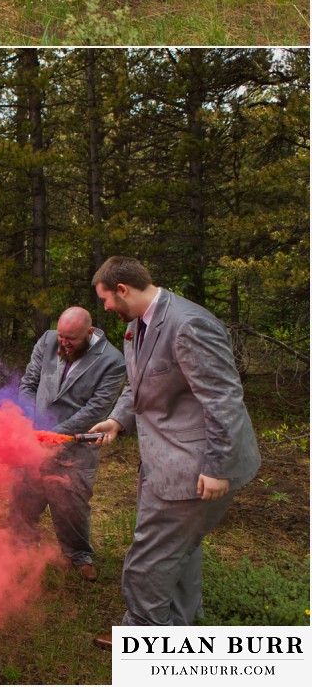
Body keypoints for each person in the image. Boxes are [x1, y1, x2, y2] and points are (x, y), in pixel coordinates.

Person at [88, 256, 261, 640]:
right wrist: (118, 420)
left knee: (149, 559)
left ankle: (147, 638)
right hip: (160, 461)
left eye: (107, 300)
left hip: (194, 468)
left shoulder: (189, 324)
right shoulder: (137, 326)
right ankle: (181, 624)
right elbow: (139, 385)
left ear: (123, 289)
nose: (106, 309)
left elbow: (223, 400)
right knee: (179, 547)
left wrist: (218, 467)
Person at [14, 305, 125, 580]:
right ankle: (24, 545)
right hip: (34, 437)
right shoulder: (48, 340)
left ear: (89, 332)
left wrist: (54, 436)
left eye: (70, 339)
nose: (63, 343)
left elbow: (96, 409)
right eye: (61, 336)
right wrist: (30, 421)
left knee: (71, 503)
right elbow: (29, 383)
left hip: (75, 445)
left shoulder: (113, 361)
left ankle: (78, 555)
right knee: (24, 493)